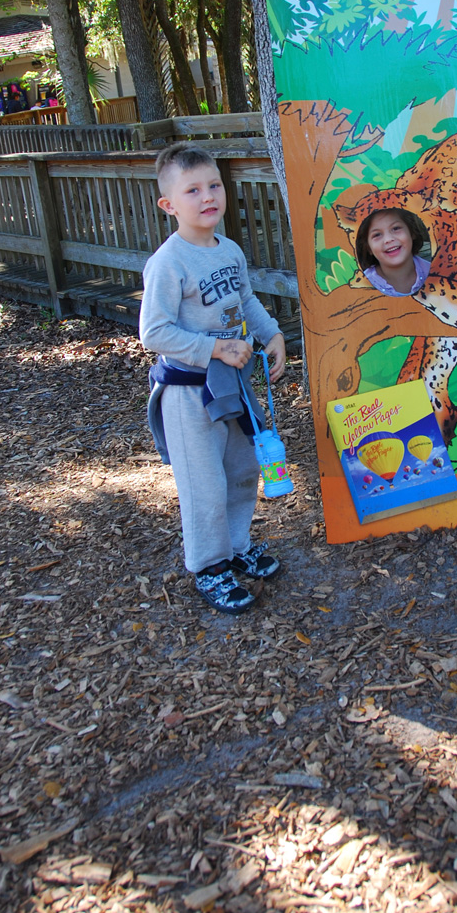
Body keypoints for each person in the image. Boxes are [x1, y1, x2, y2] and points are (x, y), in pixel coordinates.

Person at [139, 144, 287, 614]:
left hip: (233, 384)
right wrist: (213, 349)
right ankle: (209, 566)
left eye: (214, 185)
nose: (208, 197)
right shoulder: (169, 262)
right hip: (187, 393)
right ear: (169, 205)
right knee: (204, 483)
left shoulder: (230, 250)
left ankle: (237, 544)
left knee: (241, 471)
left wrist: (272, 333)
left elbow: (244, 301)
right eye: (193, 189)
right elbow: (153, 332)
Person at [355, 207, 431, 296]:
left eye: (396, 228)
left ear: (412, 232)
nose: (388, 239)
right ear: (369, 248)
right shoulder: (360, 284)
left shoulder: (435, 271)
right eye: (377, 235)